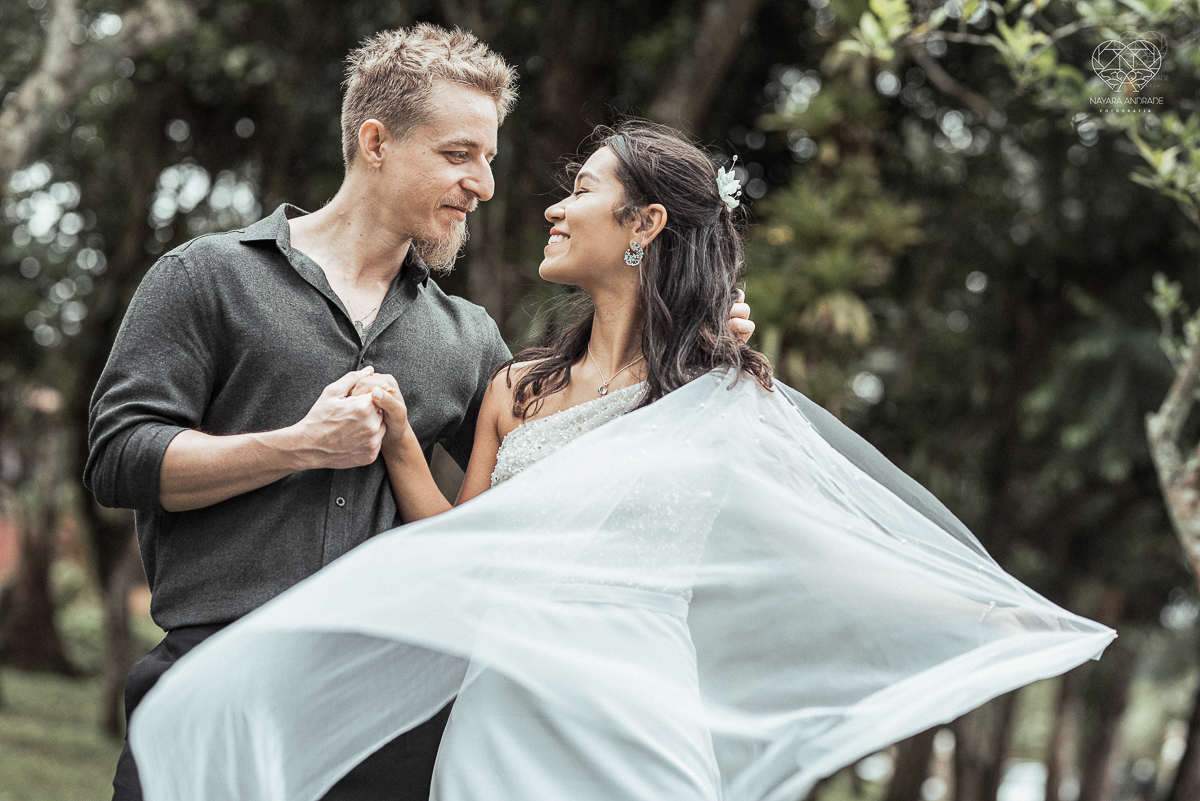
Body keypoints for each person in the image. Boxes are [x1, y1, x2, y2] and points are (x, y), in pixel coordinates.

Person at [126, 124, 1116, 801]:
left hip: (632, 709)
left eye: (583, 191)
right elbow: (456, 548)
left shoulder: (718, 392)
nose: (555, 207)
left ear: (644, 227)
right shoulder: (517, 388)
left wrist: (986, 611)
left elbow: (830, 541)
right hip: (502, 712)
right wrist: (392, 444)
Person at [83, 25, 755, 801]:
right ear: (375, 141)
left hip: (384, 723)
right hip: (213, 681)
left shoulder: (471, 341)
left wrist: (695, 338)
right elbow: (119, 458)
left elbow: (541, 512)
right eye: (458, 154)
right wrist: (300, 445)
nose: (485, 184)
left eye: (490, 158)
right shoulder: (207, 277)